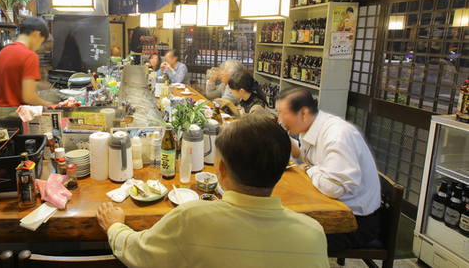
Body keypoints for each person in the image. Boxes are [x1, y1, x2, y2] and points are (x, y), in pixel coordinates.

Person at [96, 115, 329, 268]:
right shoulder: (314, 234)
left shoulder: (192, 218)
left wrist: (115, 226)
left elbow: (139, 253)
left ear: (221, 169)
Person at [275, 88, 381, 254]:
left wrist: (309, 169)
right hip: (331, 207)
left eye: (282, 113)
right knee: (278, 230)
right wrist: (280, 138)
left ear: (303, 113)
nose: (280, 120)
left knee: (289, 243)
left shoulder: (337, 135)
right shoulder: (310, 128)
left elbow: (333, 187)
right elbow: (303, 157)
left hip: (354, 220)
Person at [0, 16, 53, 107]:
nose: (38, 46)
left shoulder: (3, 52)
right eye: (40, 42)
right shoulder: (29, 56)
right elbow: (29, 97)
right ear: (36, 34)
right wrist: (48, 104)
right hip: (14, 116)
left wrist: (38, 85)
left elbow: (9, 83)